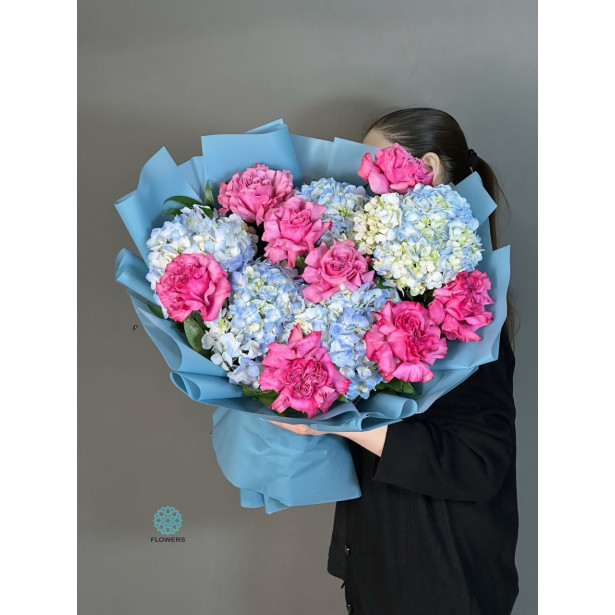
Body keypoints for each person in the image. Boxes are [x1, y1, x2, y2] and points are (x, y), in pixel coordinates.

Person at [270, 107, 518, 615]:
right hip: (383, 557)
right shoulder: (386, 288)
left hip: (445, 571)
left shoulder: (466, 304)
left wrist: (337, 423)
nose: (363, 178)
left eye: (372, 162)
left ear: (427, 166)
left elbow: (478, 465)